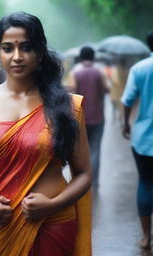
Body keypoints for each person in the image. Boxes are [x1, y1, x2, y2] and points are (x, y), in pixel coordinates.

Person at [0, 12, 92, 256]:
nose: (17, 57)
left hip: (52, 222)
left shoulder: (66, 105)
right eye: (7, 48)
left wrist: (52, 205)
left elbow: (84, 174)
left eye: (26, 47)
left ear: (40, 52)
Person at [121, 32, 153, 250]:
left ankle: (146, 237)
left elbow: (128, 99)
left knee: (146, 183)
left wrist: (125, 123)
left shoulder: (140, 68)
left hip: (144, 137)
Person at [66, 46, 109, 188]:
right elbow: (106, 89)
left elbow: (71, 91)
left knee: (79, 149)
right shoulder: (99, 72)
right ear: (93, 57)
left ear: (81, 57)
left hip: (80, 117)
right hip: (97, 116)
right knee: (95, 149)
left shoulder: (75, 73)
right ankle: (94, 181)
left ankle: (80, 180)